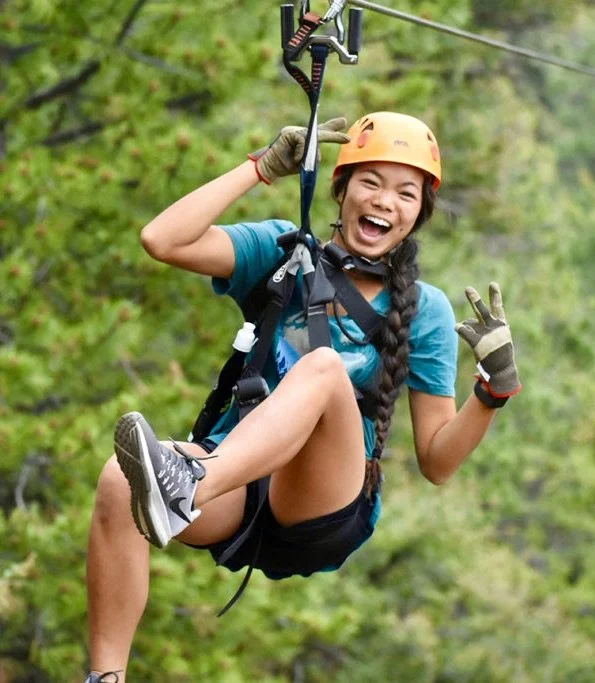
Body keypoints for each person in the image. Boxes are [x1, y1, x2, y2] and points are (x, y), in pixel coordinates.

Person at [84, 112, 521, 682]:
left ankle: (185, 488)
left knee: (322, 370)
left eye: (405, 193)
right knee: (120, 482)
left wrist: (491, 392)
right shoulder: (283, 251)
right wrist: (260, 169)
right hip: (237, 482)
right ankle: (106, 677)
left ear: (418, 214)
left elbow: (437, 462)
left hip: (323, 501)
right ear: (341, 189)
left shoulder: (425, 311)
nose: (385, 201)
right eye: (371, 182)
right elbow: (161, 240)